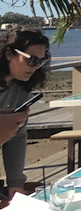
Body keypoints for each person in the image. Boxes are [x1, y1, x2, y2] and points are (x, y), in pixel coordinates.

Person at [0, 28, 48, 196]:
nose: (36, 67)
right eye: (32, 60)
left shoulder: (21, 87)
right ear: (9, 54)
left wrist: (15, 182)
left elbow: (17, 138)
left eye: (41, 61)